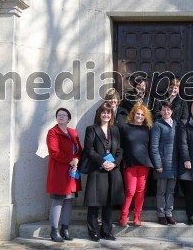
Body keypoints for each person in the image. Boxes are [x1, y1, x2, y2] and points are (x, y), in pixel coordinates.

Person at [83, 103, 124, 241]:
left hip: (112, 171)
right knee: (94, 202)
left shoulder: (115, 130)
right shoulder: (91, 129)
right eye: (103, 112)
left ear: (112, 115)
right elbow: (89, 150)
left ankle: (107, 231)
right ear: (99, 114)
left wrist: (114, 163)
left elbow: (119, 150)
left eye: (109, 113)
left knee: (108, 203)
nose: (106, 115)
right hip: (97, 170)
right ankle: (93, 231)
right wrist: (102, 162)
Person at [45, 107, 82, 242]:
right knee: (58, 200)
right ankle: (54, 231)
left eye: (64, 115)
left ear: (69, 119)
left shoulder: (73, 132)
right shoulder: (52, 132)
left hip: (72, 172)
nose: (61, 117)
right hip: (58, 172)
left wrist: (76, 159)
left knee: (69, 201)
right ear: (56, 118)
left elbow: (79, 150)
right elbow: (54, 152)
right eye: (59, 115)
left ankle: (64, 229)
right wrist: (70, 160)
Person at [119, 104, 154, 226]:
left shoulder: (147, 129)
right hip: (130, 163)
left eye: (142, 115)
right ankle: (123, 216)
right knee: (130, 191)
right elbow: (120, 146)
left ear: (145, 117)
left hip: (144, 163)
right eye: (137, 114)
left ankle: (137, 216)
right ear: (133, 114)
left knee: (140, 190)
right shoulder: (125, 128)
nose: (139, 116)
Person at [150, 101, 180, 225]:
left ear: (172, 111)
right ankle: (161, 213)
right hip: (162, 163)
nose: (166, 111)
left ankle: (169, 213)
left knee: (171, 190)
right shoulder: (157, 125)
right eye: (163, 109)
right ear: (160, 112)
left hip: (174, 163)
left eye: (168, 109)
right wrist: (158, 164)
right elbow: (154, 147)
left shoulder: (176, 125)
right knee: (161, 190)